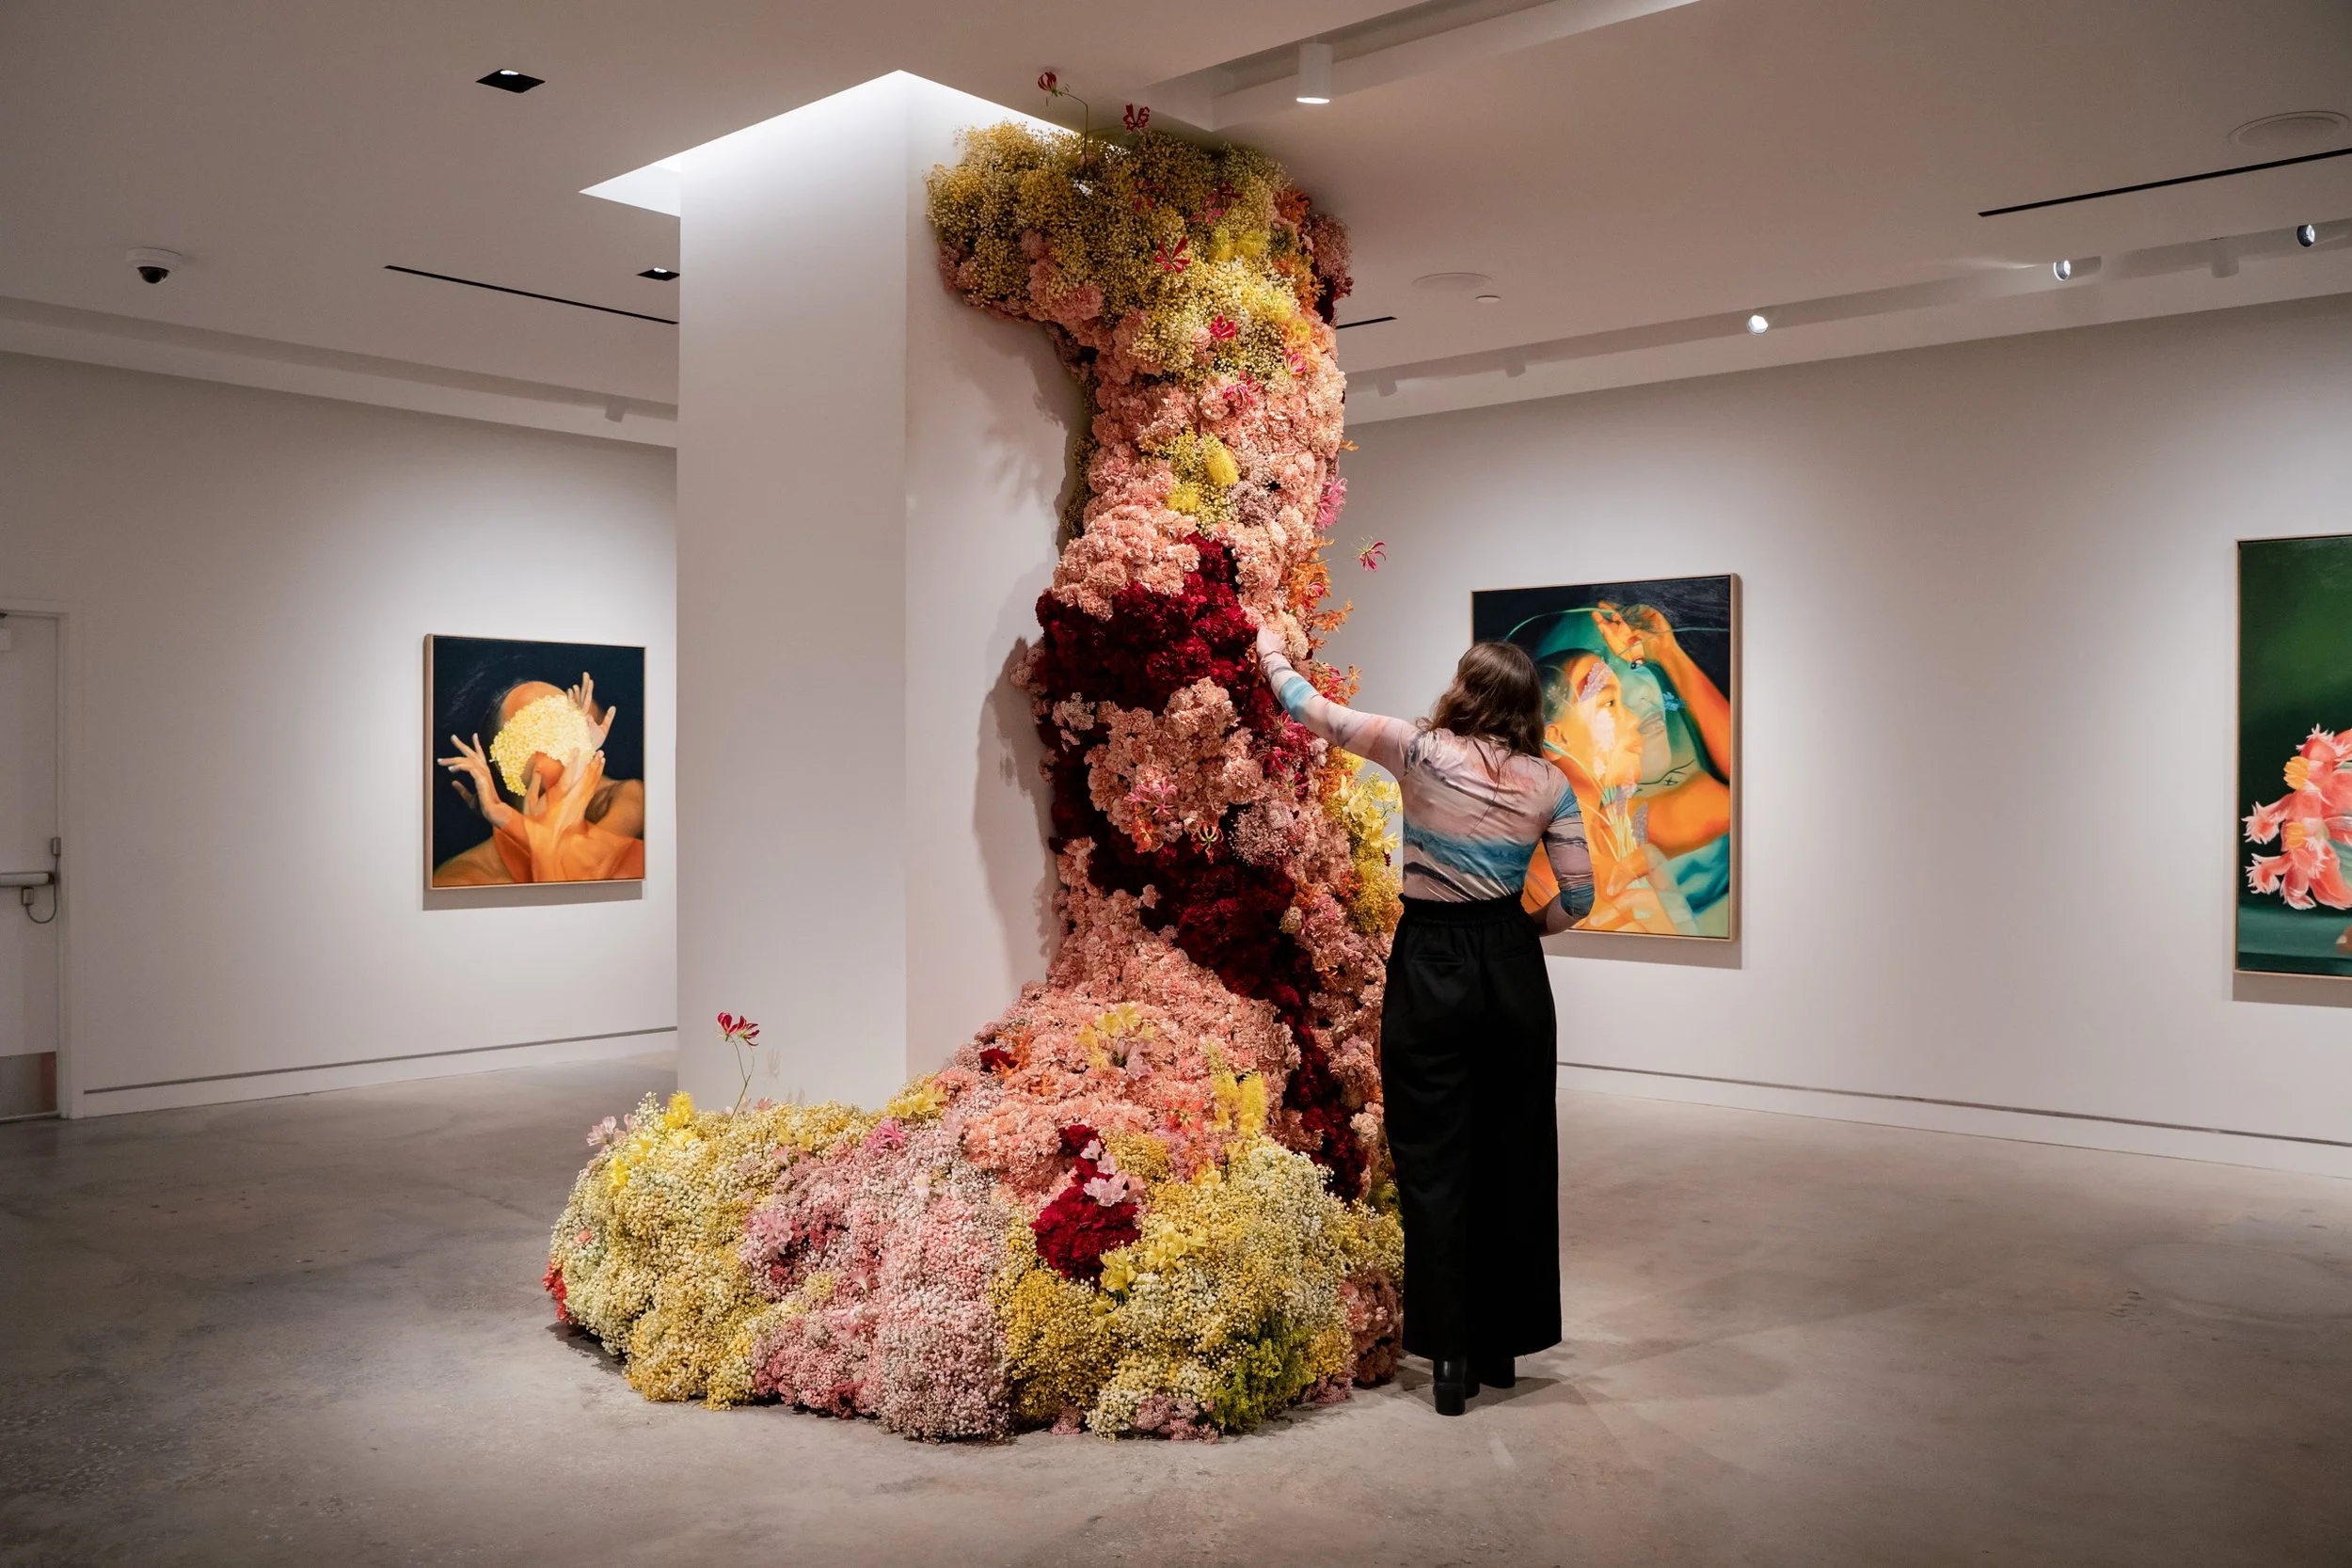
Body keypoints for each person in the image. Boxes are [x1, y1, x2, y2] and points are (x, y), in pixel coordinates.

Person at [1257, 621, 1607, 1416]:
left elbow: (1314, 712)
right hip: (1512, 969)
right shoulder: (1549, 783)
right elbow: (1581, 896)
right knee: (1514, 1153)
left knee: (1435, 1154)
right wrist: (1522, 932)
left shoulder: (1417, 751)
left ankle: (1449, 1356)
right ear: (1526, 704)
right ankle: (1502, 1346)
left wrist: (1271, 651)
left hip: (1433, 962)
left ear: (1464, 687)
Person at [1518, 600, 1732, 935]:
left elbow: (1747, 794)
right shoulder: (1530, 873)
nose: (1633, 718)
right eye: (1609, 703)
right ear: (1554, 736)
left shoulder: (1629, 830)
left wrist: (1669, 654)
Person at [434, 673, 644, 885]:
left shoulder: (624, 806)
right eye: (538, 731)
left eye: (570, 721)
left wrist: (509, 820)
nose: (573, 742)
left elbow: (580, 873)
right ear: (500, 762)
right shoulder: (462, 879)